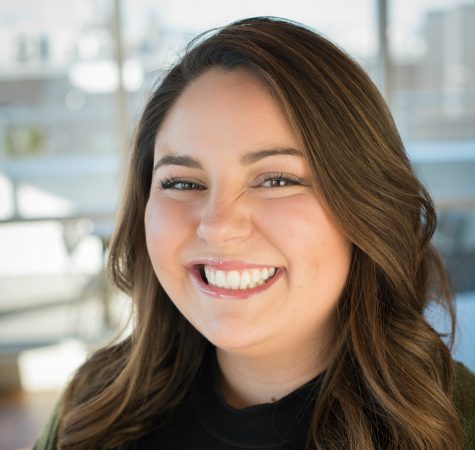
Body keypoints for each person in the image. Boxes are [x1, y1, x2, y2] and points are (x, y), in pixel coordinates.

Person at [34, 17, 475, 450]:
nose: (218, 227)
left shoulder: (456, 423)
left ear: (364, 204)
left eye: (277, 180)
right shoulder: (91, 409)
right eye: (183, 183)